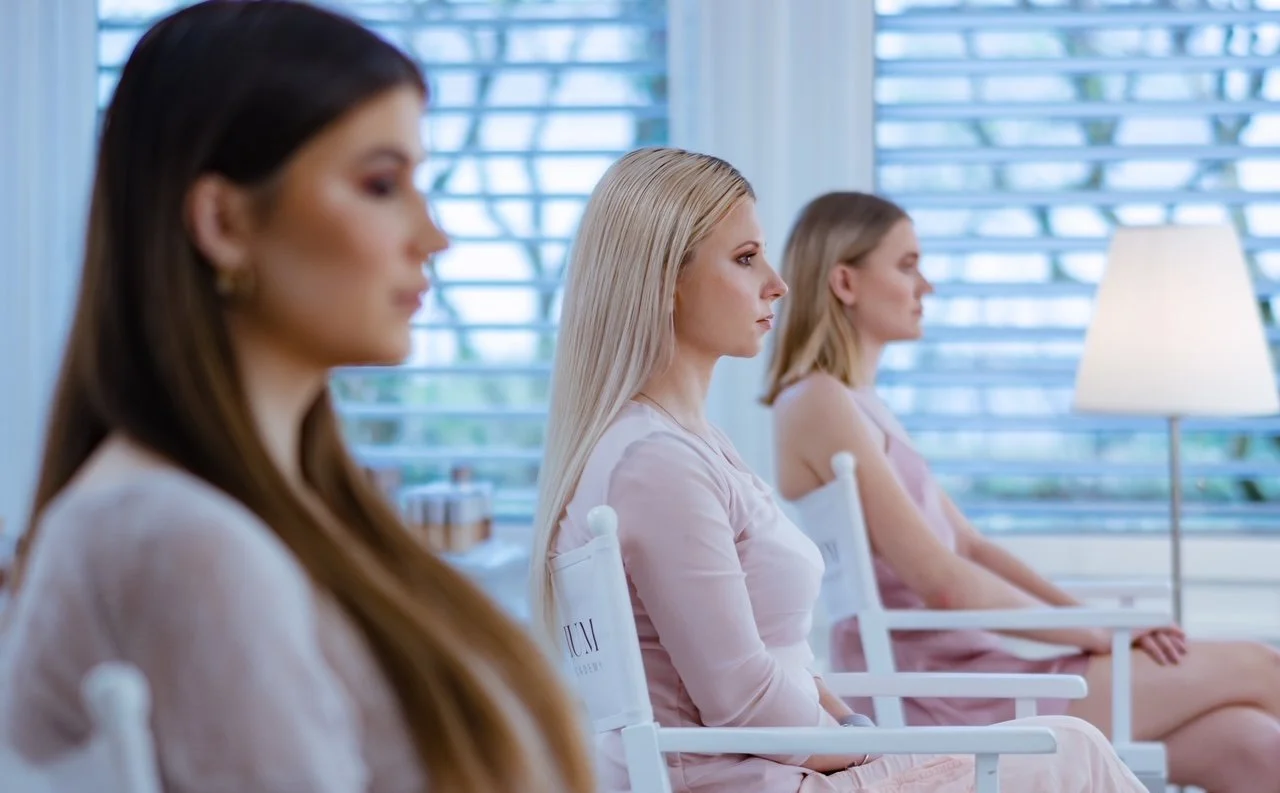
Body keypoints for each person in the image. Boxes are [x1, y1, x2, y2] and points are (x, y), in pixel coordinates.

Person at [0, 3, 594, 791]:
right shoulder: (179, 541)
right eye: (382, 183)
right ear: (223, 220)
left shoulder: (285, 516)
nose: (434, 234)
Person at [531, 147, 1147, 793]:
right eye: (745, 259)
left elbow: (779, 666)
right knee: (1070, 748)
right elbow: (741, 700)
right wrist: (867, 748)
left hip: (791, 761)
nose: (778, 281)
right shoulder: (656, 465)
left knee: (1076, 742)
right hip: (758, 780)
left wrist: (856, 728)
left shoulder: (688, 444)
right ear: (663, 279)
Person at [765, 190, 1280, 792]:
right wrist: (1094, 634)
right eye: (907, 266)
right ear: (845, 282)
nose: (925, 286)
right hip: (942, 689)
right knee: (1261, 666)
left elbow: (972, 546)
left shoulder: (864, 406)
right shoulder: (818, 401)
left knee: (1254, 746)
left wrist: (1086, 619)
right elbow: (941, 579)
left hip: (978, 666)